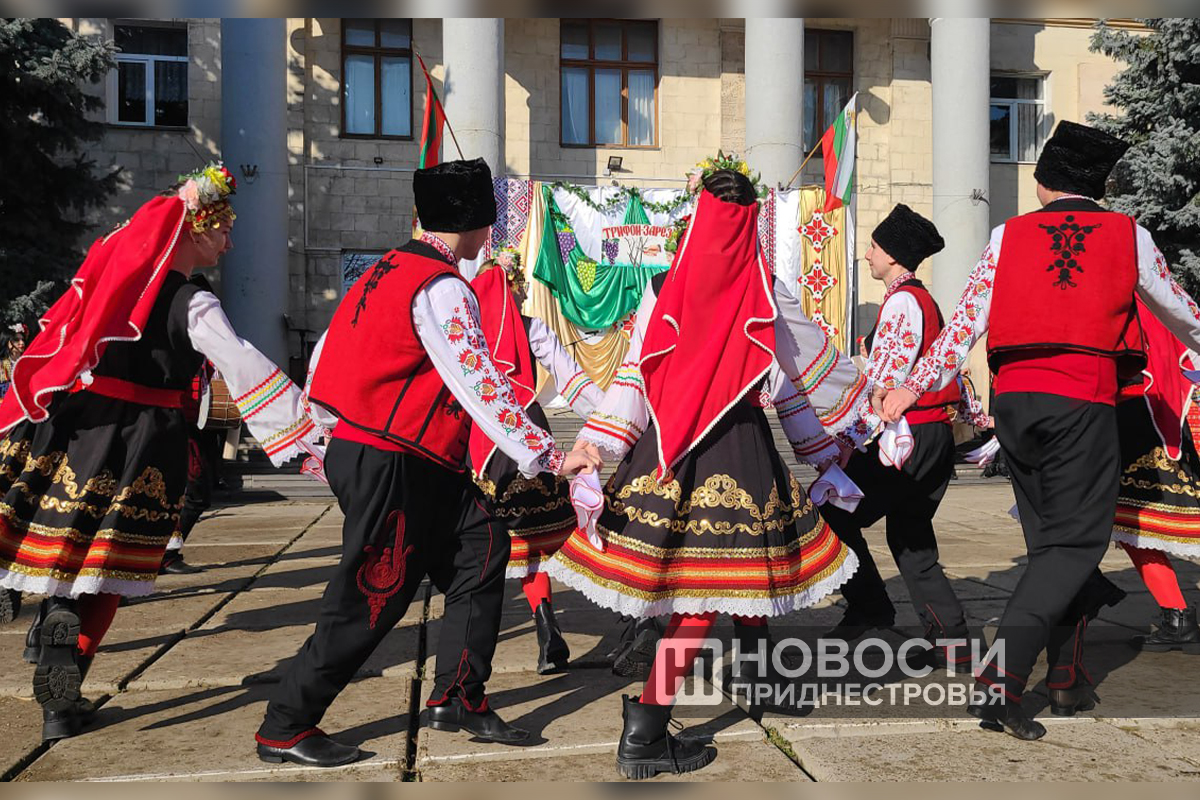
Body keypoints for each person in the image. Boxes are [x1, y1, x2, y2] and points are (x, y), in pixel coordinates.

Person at [254, 158, 601, 769]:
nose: (490, 235)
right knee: (374, 590)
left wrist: (326, 436)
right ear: (475, 225)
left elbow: (326, 359)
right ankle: (287, 722)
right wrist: (549, 455)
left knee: (482, 547)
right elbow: (480, 382)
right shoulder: (441, 287)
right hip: (395, 458)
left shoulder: (381, 270)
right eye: (488, 222)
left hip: (400, 454)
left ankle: (459, 694)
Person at [545, 168, 874, 780]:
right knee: (717, 586)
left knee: (730, 580)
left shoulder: (664, 285)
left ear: (697, 216)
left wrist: (597, 443)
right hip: (737, 450)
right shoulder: (764, 288)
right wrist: (826, 445)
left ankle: (756, 679)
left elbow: (636, 375)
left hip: (668, 450)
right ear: (750, 223)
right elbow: (795, 381)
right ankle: (646, 729)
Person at [878, 120, 1200, 739]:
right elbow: (1180, 311)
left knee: (1051, 547)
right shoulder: (1127, 233)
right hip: (1081, 400)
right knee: (1073, 547)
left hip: (1016, 407)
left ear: (1041, 182)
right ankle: (1003, 678)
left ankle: (1067, 677)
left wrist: (913, 386)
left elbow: (965, 321)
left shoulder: (1007, 234)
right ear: (1097, 186)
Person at [0, 164, 323, 742]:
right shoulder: (191, 301)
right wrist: (307, 426)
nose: (229, 243)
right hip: (143, 439)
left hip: (79, 426)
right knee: (112, 566)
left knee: (66, 546)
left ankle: (52, 623)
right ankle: (65, 693)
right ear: (195, 228)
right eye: (223, 229)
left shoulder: (117, 282)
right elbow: (240, 361)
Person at [820, 204, 991, 674]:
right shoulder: (922, 300)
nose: (868, 255)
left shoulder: (901, 303)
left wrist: (847, 441)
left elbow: (884, 383)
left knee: (832, 511)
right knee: (910, 536)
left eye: (874, 247)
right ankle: (952, 640)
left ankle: (870, 605)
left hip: (905, 435)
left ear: (893, 255)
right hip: (930, 435)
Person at [469, 254, 604, 674]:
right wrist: (609, 420)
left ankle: (508, 634)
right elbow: (570, 378)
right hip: (530, 431)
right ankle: (547, 627)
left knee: (493, 541)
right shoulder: (532, 328)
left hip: (485, 441)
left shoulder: (466, 333)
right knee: (536, 538)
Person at [1111, 300, 1200, 653]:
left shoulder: (1126, 299)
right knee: (1137, 525)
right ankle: (1176, 614)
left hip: (1136, 415)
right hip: (1155, 412)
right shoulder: (1160, 297)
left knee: (1137, 524)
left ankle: (1177, 615)